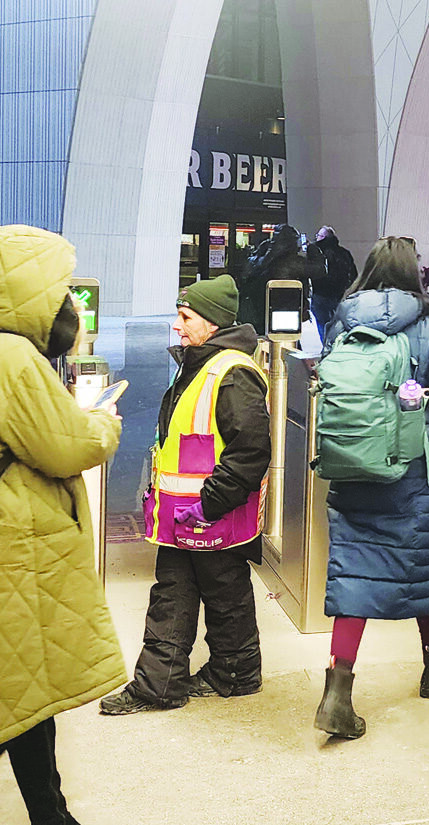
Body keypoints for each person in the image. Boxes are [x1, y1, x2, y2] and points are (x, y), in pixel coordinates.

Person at [312, 236, 429, 740]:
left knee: (353, 573)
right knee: (423, 568)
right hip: (412, 472)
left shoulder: (342, 321)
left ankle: (338, 688)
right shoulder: (427, 328)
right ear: (414, 275)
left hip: (352, 468)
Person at [100, 274, 272, 714]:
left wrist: (209, 504)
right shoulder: (203, 363)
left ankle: (226, 674)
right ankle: (187, 681)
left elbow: (250, 450)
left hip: (211, 512)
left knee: (221, 591)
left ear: (212, 323)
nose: (177, 325)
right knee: (182, 591)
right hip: (188, 513)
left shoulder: (233, 374)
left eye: (185, 316)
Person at [0, 225, 126, 825]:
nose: (69, 306)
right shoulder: (12, 357)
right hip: (14, 551)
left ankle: (52, 814)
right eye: (59, 290)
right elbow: (66, 445)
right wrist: (104, 423)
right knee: (23, 685)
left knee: (23, 685)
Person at [236, 223, 308, 335]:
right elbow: (320, 269)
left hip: (259, 308)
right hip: (283, 308)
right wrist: (313, 248)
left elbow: (245, 278)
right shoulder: (290, 261)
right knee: (285, 339)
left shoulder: (260, 257)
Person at [310, 225, 358, 343]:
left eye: (319, 235)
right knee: (338, 323)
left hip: (320, 294)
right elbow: (353, 274)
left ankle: (326, 345)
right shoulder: (344, 253)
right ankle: (336, 345)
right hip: (338, 294)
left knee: (322, 323)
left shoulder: (316, 252)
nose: (317, 237)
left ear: (324, 238)